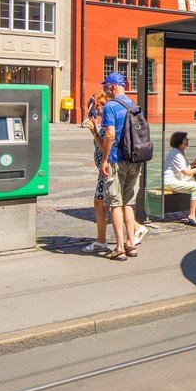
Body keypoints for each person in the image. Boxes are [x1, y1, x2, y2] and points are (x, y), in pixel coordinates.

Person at [97, 72, 147, 260]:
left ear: (112, 87)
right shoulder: (135, 106)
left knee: (115, 203)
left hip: (117, 160)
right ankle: (130, 244)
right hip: (135, 159)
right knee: (128, 202)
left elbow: (109, 134)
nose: (105, 90)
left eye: (106, 87)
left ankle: (118, 247)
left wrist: (104, 159)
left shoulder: (110, 106)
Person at [82, 90, 112, 255]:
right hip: (104, 169)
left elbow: (103, 146)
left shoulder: (108, 124)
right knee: (106, 203)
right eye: (97, 104)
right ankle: (101, 239)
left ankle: (102, 240)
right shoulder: (104, 123)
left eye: (101, 104)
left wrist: (94, 131)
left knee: (104, 203)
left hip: (106, 169)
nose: (98, 108)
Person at [163, 131, 196, 226]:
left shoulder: (180, 153)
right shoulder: (176, 154)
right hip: (170, 181)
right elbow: (186, 172)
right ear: (180, 141)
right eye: (185, 139)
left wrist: (193, 165)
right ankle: (192, 216)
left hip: (178, 179)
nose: (187, 140)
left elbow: (185, 169)